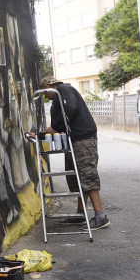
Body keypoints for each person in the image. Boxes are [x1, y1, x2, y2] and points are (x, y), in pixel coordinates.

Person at [36, 76, 109, 230]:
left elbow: (71, 110)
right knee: (75, 178)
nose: (45, 96)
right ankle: (81, 214)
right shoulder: (57, 99)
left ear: (47, 85)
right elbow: (59, 126)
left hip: (83, 139)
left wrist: (54, 127)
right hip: (72, 140)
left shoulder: (64, 89)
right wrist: (41, 135)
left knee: (87, 176)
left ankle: (100, 216)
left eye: (44, 92)